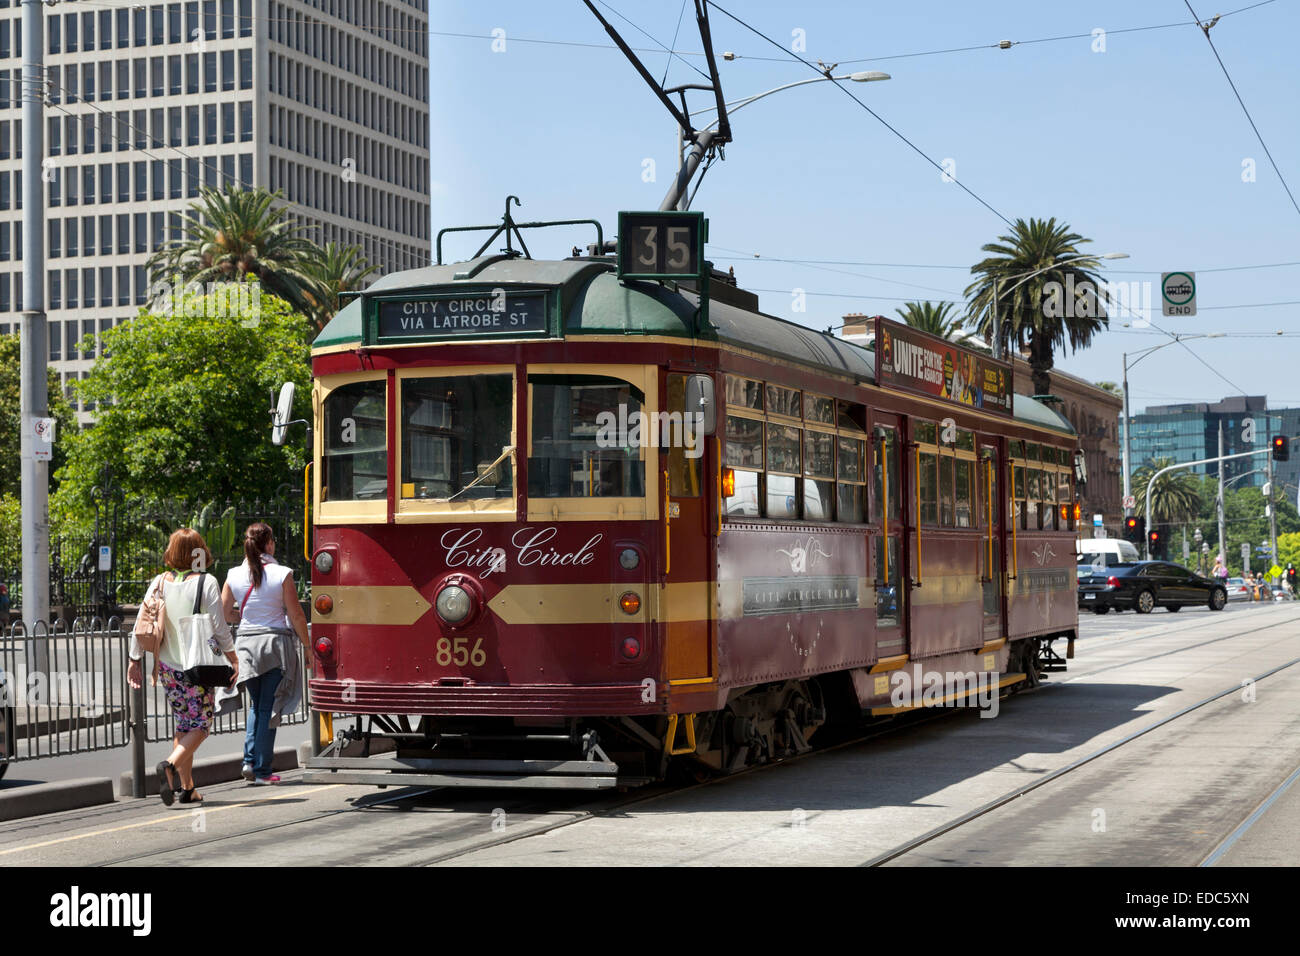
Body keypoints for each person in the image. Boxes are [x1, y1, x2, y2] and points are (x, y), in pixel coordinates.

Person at [127, 529, 237, 807]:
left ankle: (188, 789)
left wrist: (134, 660)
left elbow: (143, 621)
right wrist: (233, 658)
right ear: (199, 551)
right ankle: (170, 766)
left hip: (167, 667)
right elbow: (219, 627)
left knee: (184, 723)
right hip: (197, 666)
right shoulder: (207, 582)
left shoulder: (159, 582)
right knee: (201, 725)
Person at [217, 523, 310, 785]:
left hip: (245, 645)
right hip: (274, 645)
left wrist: (244, 616)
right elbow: (296, 614)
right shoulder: (282, 573)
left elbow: (224, 614)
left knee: (257, 706)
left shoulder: (233, 574)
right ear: (268, 543)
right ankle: (262, 770)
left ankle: (249, 761)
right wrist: (307, 646)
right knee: (268, 708)